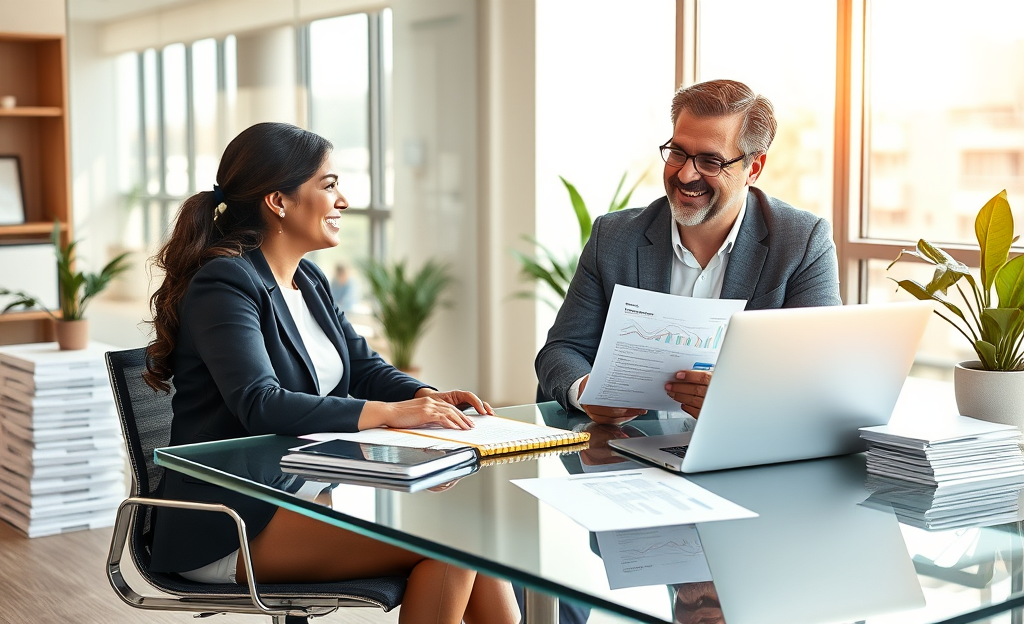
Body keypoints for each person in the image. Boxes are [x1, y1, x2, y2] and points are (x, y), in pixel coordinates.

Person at [144, 122, 519, 624]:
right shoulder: (225, 281)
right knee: (453, 545)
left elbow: (363, 367)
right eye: (328, 184)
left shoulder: (308, 279)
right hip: (230, 520)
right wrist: (389, 414)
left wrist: (427, 397)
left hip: (297, 493)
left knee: (476, 534)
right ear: (279, 201)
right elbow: (260, 402)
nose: (343, 199)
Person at [536, 79, 841, 425]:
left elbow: (819, 375)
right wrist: (586, 390)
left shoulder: (802, 242)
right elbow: (562, 350)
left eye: (710, 161)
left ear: (752, 169)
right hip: (630, 450)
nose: (685, 173)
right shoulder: (614, 237)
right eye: (678, 152)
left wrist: (741, 399)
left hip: (743, 450)